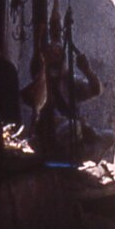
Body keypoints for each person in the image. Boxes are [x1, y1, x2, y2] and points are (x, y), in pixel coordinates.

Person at [21, 33, 103, 162]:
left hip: (71, 134)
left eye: (58, 55)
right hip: (48, 136)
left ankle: (74, 157)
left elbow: (95, 90)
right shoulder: (41, 82)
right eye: (51, 55)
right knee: (74, 128)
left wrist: (87, 70)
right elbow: (26, 97)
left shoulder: (70, 82)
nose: (54, 58)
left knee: (107, 136)